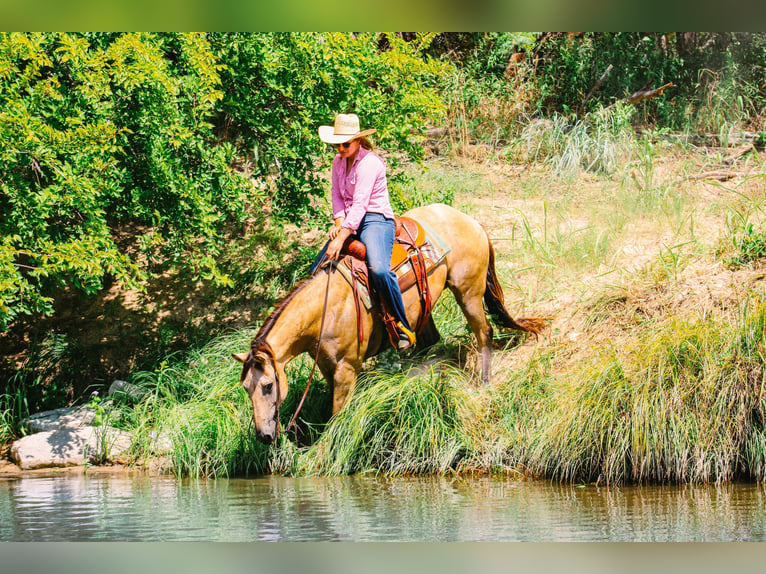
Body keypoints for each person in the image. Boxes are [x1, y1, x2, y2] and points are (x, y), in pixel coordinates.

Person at [313, 113, 416, 351]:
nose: (340, 148)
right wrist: (339, 224)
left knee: (379, 269)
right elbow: (337, 196)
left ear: (358, 141)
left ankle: (402, 325)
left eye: (345, 143)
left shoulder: (370, 163)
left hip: (375, 219)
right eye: (337, 144)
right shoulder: (338, 162)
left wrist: (340, 237)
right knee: (318, 265)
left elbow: (360, 205)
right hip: (350, 220)